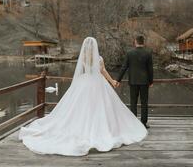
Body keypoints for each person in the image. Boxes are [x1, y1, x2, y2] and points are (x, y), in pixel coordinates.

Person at [19, 37, 147, 156]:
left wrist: (77, 86)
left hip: (84, 83)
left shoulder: (83, 57)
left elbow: (80, 72)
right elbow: (102, 71)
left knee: (81, 107)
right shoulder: (99, 58)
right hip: (98, 84)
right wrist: (112, 81)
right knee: (101, 106)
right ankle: (103, 129)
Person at [116, 35, 153, 129]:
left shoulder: (129, 53)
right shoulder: (148, 53)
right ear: (143, 42)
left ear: (135, 42)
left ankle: (134, 123)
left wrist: (118, 80)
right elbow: (150, 69)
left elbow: (124, 67)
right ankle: (143, 123)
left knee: (133, 102)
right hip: (144, 82)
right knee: (144, 102)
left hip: (133, 81)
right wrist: (151, 81)